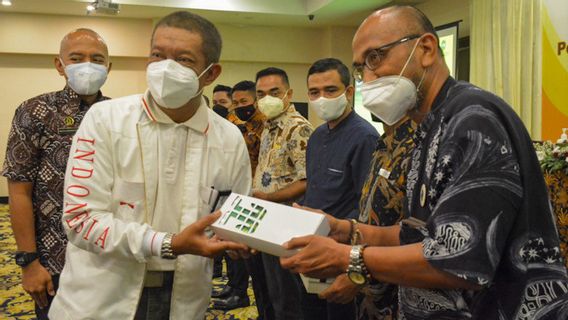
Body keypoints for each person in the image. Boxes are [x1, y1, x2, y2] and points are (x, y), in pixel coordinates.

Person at [281, 5, 568, 320]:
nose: (368, 78)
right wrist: (345, 229)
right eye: (362, 68)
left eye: (376, 58)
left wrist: (349, 258)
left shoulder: (473, 120)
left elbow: (457, 260)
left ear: (427, 49)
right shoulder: (430, 126)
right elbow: (421, 234)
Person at [48, 11, 251, 320]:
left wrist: (240, 240)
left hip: (184, 295)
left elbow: (231, 216)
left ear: (211, 74)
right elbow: (80, 221)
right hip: (103, 295)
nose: (165, 68)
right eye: (157, 55)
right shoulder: (106, 120)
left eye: (183, 60)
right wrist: (168, 243)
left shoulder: (229, 138)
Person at [2, 28, 111, 319]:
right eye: (76, 58)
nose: (87, 65)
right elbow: (19, 192)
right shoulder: (33, 111)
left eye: (97, 59)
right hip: (53, 262)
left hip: (109, 258)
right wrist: (28, 262)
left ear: (108, 67)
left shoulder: (118, 114)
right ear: (59, 65)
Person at [301, 58, 378, 320]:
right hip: (312, 246)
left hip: (344, 252)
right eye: (314, 92)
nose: (322, 98)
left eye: (330, 90)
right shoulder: (317, 136)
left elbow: (368, 206)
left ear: (349, 91)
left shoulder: (365, 137)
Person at [254, 67, 313, 319]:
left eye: (274, 92)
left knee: (287, 297)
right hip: (266, 218)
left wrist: (269, 198)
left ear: (288, 94)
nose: (267, 98)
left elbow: (307, 180)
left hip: (286, 223)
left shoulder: (298, 128)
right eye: (261, 93)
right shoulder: (268, 125)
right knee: (269, 291)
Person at [212, 80, 267, 312]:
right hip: (236, 193)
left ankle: (241, 293)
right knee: (233, 248)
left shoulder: (263, 126)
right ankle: (236, 289)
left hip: (259, 198)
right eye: (234, 103)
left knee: (247, 253)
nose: (237, 107)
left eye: (243, 102)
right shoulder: (233, 124)